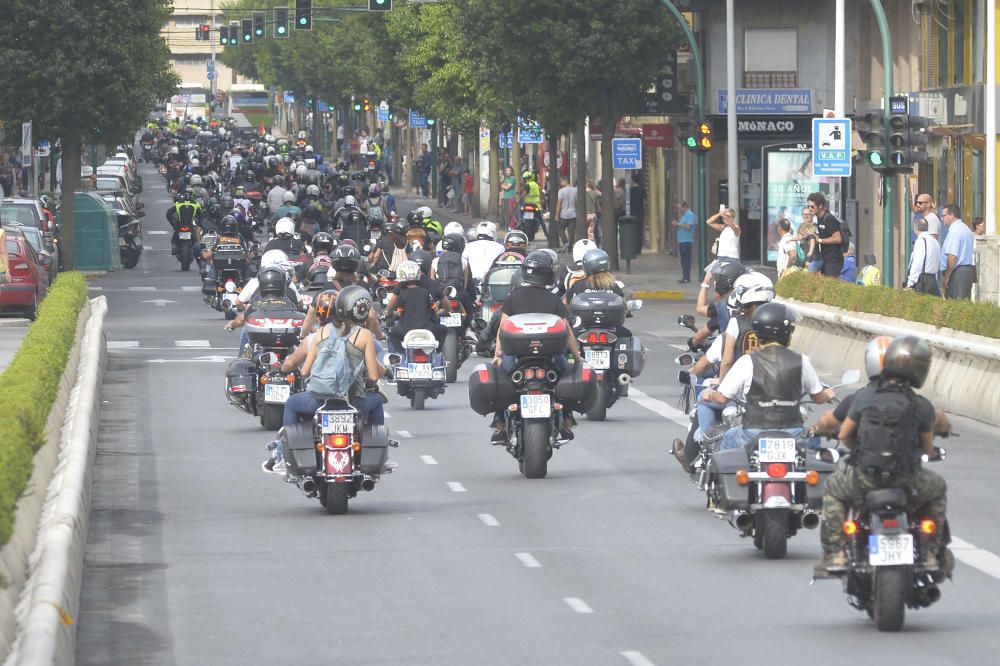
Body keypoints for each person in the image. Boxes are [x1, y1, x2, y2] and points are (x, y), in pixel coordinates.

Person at [816, 336, 948, 575]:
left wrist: (859, 447)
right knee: (938, 487)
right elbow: (928, 450)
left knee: (834, 488)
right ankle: (929, 551)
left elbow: (844, 435)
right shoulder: (921, 405)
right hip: (908, 481)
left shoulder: (864, 397)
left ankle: (837, 552)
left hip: (865, 479)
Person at [267, 287, 386, 474]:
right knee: (378, 401)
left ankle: (283, 456)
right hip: (352, 401)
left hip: (318, 400)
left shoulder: (321, 333)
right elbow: (373, 376)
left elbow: (305, 371)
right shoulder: (364, 336)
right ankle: (377, 455)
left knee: (291, 403)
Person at [701, 302, 835, 452]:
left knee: (726, 442)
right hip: (793, 433)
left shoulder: (746, 362)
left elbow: (722, 398)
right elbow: (818, 397)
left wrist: (709, 394)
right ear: (786, 332)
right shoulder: (802, 361)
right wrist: (829, 393)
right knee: (814, 444)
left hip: (752, 433)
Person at [490, 250, 584, 443]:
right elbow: (567, 333)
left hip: (515, 358)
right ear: (549, 274)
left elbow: (502, 328)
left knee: (503, 385)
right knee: (566, 381)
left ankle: (499, 423)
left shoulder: (514, 297)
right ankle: (567, 419)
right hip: (550, 359)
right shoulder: (554, 300)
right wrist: (578, 356)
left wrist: (498, 354)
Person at [384, 260, 450, 353]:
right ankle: (437, 353)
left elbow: (396, 310)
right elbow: (435, 308)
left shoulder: (401, 291)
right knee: (443, 329)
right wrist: (438, 312)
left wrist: (391, 314)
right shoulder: (425, 291)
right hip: (428, 329)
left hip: (407, 330)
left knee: (393, 334)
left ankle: (401, 355)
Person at [940, 203, 975, 299]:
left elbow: (952, 257)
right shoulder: (965, 228)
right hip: (966, 271)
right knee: (962, 304)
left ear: (951, 215)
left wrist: (946, 276)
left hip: (957, 273)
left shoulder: (955, 231)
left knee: (955, 304)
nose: (942, 218)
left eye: (943, 215)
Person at [809, 192, 844, 278]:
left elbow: (838, 238)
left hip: (834, 259)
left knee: (830, 287)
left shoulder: (828, 218)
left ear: (820, 206)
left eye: (812, 206)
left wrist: (820, 240)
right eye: (808, 206)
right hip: (825, 258)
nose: (810, 209)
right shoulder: (819, 218)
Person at [905, 218, 941, 295]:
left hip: (922, 280)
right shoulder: (935, 241)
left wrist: (910, 283)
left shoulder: (921, 240)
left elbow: (917, 263)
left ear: (915, 228)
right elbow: (938, 262)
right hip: (932, 279)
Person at [672, 201, 696, 282]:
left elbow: (689, 227)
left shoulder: (689, 215)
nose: (680, 210)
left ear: (684, 207)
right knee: (683, 260)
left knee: (686, 260)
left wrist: (679, 225)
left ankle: (686, 277)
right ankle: (685, 276)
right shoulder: (684, 216)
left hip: (686, 241)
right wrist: (677, 225)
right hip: (682, 240)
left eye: (680, 208)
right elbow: (682, 227)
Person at [555, 176, 577, 248]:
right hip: (573, 214)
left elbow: (559, 203)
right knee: (571, 232)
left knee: (560, 229)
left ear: (565, 181)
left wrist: (557, 215)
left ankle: (565, 242)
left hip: (563, 214)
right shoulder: (575, 190)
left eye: (561, 182)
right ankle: (570, 246)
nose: (560, 183)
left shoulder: (561, 191)